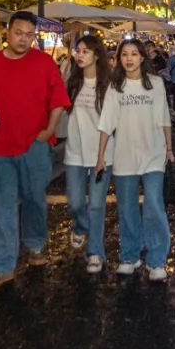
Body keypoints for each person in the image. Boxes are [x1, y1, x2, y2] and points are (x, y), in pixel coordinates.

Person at [0, 11, 71, 293]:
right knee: (2, 207)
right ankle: (1, 266)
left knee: (34, 200)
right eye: (19, 33)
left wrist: (48, 130)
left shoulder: (43, 62)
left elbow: (58, 100)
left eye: (30, 35)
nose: (24, 39)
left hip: (35, 145)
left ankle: (35, 245)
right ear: (8, 32)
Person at [96, 39, 173, 281]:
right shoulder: (115, 87)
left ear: (142, 57)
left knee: (153, 205)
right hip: (124, 156)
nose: (129, 58)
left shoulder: (156, 84)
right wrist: (100, 157)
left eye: (134, 54)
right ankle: (130, 255)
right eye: (124, 54)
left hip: (153, 154)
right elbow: (106, 124)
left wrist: (169, 148)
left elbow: (164, 119)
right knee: (127, 208)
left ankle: (157, 259)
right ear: (119, 59)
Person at [63, 35, 113, 274]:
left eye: (85, 51)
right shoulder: (72, 82)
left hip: (102, 154)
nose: (80, 55)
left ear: (96, 55)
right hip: (74, 151)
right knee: (74, 201)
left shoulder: (109, 85)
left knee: (96, 205)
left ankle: (95, 252)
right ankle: (81, 226)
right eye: (78, 50)